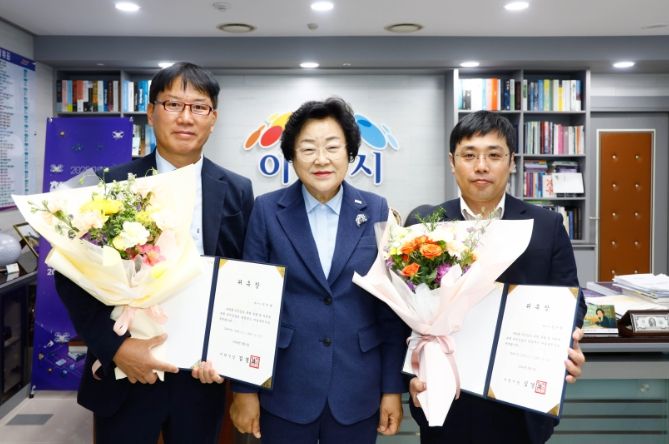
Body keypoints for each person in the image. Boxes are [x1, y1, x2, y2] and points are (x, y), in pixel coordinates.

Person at [55, 62, 254, 444]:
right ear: (150, 112)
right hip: (127, 370)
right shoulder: (111, 184)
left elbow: (243, 273)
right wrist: (117, 348)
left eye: (199, 107)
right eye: (173, 104)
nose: (186, 117)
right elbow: (72, 277)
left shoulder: (237, 189)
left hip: (201, 375)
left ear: (213, 118)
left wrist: (230, 348)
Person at [229, 97, 408, 444]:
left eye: (332, 147)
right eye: (308, 148)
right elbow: (247, 307)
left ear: (350, 152)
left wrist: (391, 389)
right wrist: (244, 389)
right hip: (285, 387)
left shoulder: (376, 209)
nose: (321, 159)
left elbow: (389, 310)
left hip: (358, 388)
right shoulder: (267, 211)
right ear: (292, 155)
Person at [405, 110, 587, 444]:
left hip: (521, 401)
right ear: (452, 162)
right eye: (469, 155)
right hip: (447, 396)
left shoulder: (546, 225)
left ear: (512, 162)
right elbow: (404, 311)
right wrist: (410, 377)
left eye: (494, 155)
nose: (481, 166)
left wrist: (565, 343)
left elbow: (572, 300)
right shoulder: (425, 224)